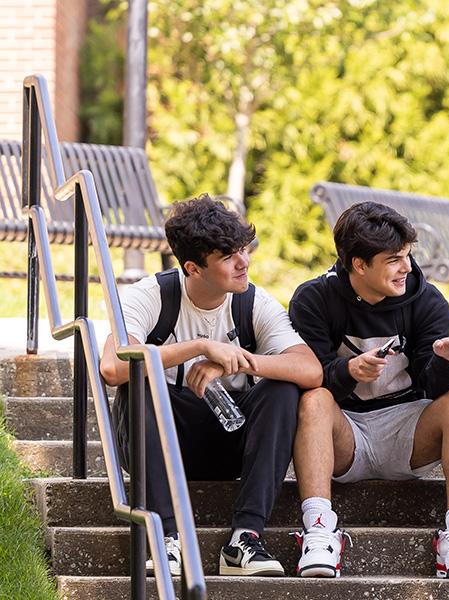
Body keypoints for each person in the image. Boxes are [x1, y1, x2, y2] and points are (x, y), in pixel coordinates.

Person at [100, 195, 323, 578]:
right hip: (161, 443)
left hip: (230, 439)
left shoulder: (253, 302)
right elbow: (111, 367)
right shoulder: (149, 295)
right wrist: (200, 347)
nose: (244, 262)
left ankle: (245, 540)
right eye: (228, 257)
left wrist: (237, 361)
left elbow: (311, 370)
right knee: (139, 381)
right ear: (193, 267)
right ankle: (166, 537)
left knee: (282, 388)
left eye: (243, 250)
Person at [288, 201, 449, 579]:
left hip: (407, 433)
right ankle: (318, 531)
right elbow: (306, 374)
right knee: (314, 399)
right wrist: (347, 372)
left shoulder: (427, 301)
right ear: (359, 264)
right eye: (394, 260)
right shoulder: (313, 299)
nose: (407, 268)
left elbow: (437, 388)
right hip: (344, 434)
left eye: (407, 257)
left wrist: (446, 362)